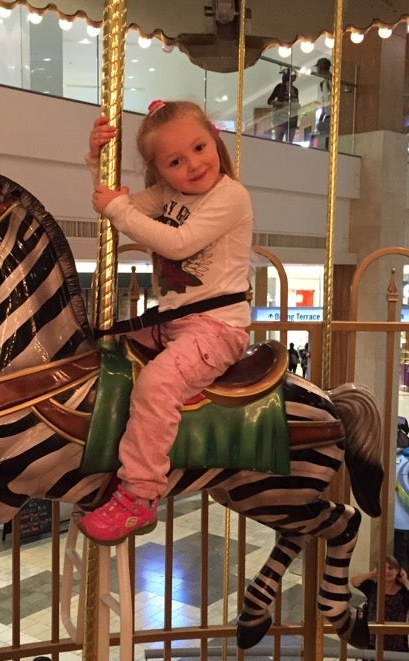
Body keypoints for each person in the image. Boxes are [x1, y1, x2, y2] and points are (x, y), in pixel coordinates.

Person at [79, 100, 252, 544]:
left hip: (217, 329)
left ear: (214, 138)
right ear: (159, 168)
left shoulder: (230, 195)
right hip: (174, 321)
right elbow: (122, 203)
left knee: (157, 385)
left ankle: (140, 494)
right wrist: (99, 163)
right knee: (101, 346)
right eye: (175, 161)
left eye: (199, 147)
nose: (193, 165)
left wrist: (117, 209)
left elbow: (177, 243)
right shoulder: (169, 195)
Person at [350, 555, 409, 661]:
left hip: (397, 649)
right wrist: (372, 573)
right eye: (383, 569)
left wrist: (405, 580)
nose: (386, 572)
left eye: (391, 568)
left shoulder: (403, 593)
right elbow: (354, 581)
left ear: (398, 571)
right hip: (373, 646)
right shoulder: (372, 588)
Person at [267, 69, 300, 143]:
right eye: (293, 75)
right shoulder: (280, 87)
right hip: (280, 118)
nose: (295, 77)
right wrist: (281, 104)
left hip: (292, 119)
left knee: (290, 142)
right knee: (278, 141)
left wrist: (296, 106)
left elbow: (296, 102)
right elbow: (269, 101)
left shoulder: (295, 90)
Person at [313, 57, 332, 148]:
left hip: (332, 115)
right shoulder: (324, 82)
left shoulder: (331, 79)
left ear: (320, 68)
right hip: (327, 115)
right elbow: (325, 104)